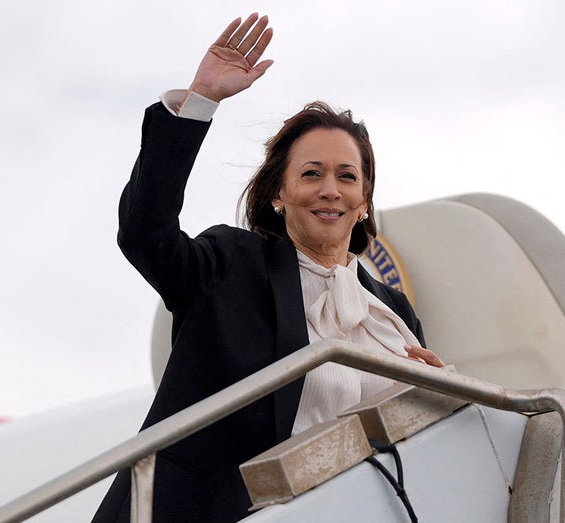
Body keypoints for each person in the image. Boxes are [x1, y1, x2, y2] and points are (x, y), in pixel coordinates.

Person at [92, 13, 444, 522]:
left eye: (347, 176)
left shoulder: (393, 314)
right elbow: (145, 233)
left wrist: (436, 400)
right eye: (310, 174)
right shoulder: (232, 264)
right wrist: (200, 100)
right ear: (280, 193)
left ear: (364, 199)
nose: (330, 189)